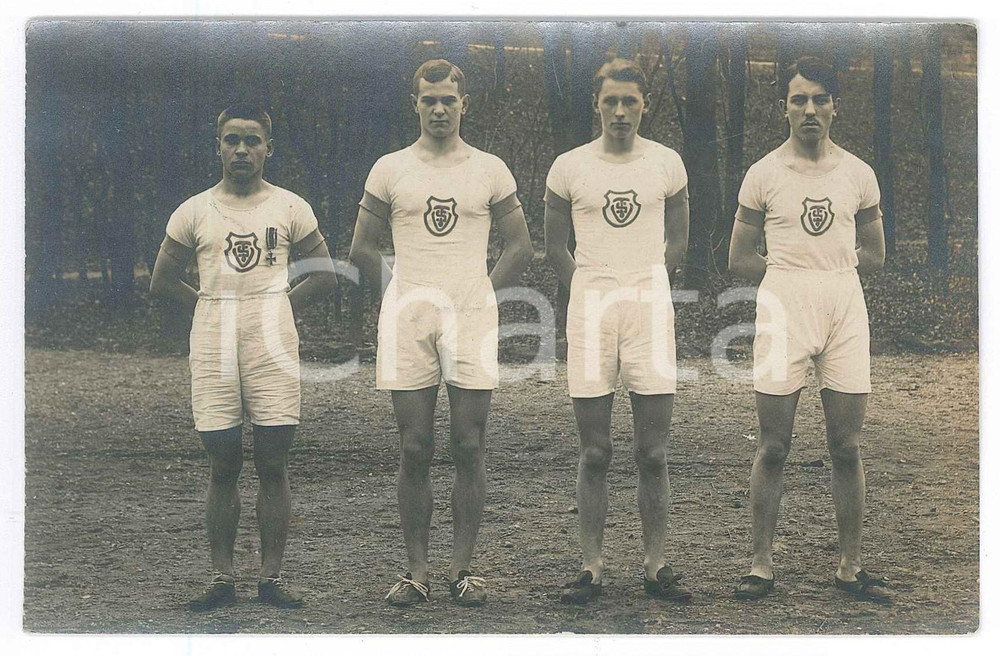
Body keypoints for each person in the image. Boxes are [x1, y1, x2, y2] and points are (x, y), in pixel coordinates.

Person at [348, 59, 533, 607]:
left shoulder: (489, 169)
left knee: (469, 444)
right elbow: (361, 248)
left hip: (470, 316)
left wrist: (479, 294)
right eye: (428, 100)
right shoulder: (390, 168)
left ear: (463, 104)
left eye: (448, 100)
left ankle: (463, 570)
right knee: (414, 446)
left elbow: (521, 246)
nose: (438, 109)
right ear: (415, 104)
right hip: (409, 319)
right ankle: (417, 571)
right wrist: (403, 293)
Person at [149, 104, 337, 611]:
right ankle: (222, 577)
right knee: (223, 461)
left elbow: (324, 274)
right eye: (232, 140)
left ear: (268, 149)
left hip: (271, 334)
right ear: (218, 146)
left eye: (252, 141)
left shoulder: (290, 206)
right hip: (213, 332)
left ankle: (271, 577)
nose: (241, 150)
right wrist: (209, 308)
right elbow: (162, 280)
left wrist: (277, 309)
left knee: (273, 460)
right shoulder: (194, 210)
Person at [728, 56, 889, 604]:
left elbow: (875, 253)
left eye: (820, 99)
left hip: (844, 305)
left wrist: (830, 272)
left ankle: (850, 565)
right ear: (785, 108)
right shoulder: (764, 173)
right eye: (799, 99)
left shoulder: (858, 173)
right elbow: (739, 257)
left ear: (834, 107)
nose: (810, 109)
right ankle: (760, 564)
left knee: (846, 445)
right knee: (773, 445)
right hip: (784, 306)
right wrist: (788, 276)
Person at [544, 58, 691, 604]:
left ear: (644, 105)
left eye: (630, 101)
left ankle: (656, 565)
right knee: (595, 451)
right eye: (611, 101)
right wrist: (588, 289)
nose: (621, 112)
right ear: (596, 104)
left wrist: (648, 283)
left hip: (648, 310)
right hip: (591, 314)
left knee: (653, 453)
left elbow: (679, 239)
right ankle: (591, 566)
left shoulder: (666, 162)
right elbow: (554, 246)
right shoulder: (569, 167)